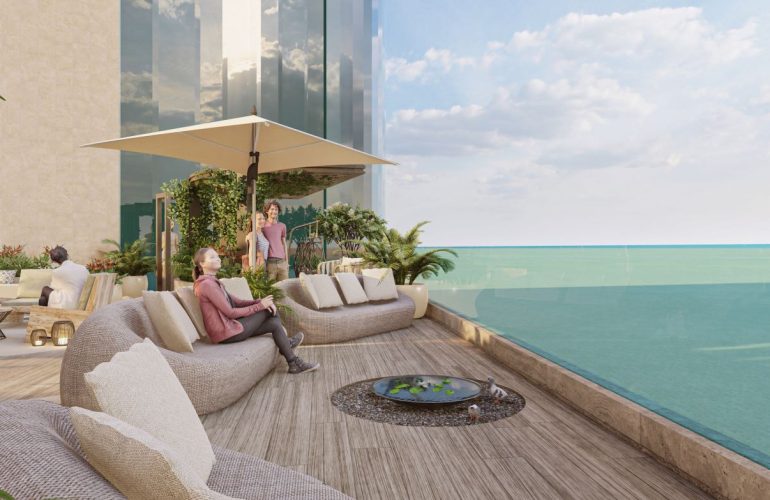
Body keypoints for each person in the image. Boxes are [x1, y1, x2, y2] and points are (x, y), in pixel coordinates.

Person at [193, 247, 319, 374]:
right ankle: (288, 344)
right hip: (225, 333)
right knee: (267, 311)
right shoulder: (206, 285)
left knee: (274, 324)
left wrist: (259, 301)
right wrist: (261, 306)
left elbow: (238, 302)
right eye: (212, 257)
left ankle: (293, 363)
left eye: (217, 256)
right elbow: (230, 312)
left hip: (229, 328)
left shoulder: (213, 282)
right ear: (202, 264)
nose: (218, 258)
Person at [262, 200, 289, 281]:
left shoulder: (282, 226)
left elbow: (284, 244)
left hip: (282, 262)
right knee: (272, 289)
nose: (274, 211)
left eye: (276, 210)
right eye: (272, 209)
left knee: (284, 287)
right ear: (267, 211)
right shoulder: (263, 225)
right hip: (270, 263)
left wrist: (286, 262)